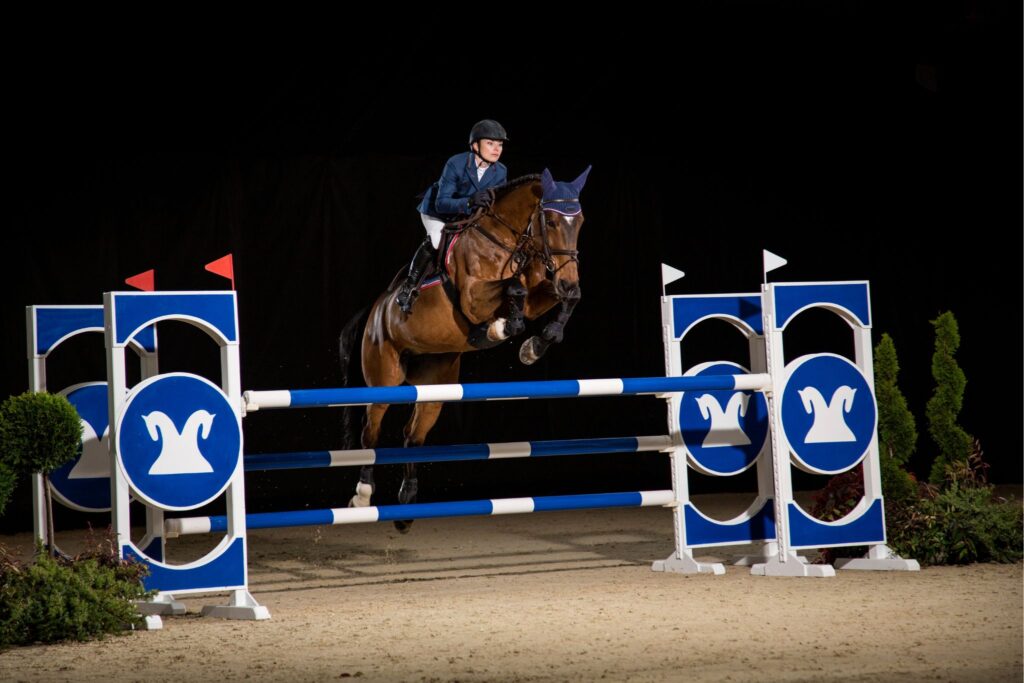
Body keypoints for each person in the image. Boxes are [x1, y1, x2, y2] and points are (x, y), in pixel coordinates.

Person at [395, 119, 509, 313]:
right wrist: (470, 202)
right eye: (490, 143)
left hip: (466, 215)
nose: (496, 149)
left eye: (500, 144)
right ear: (475, 145)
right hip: (437, 212)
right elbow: (442, 203)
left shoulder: (501, 171)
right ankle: (409, 286)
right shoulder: (456, 163)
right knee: (437, 240)